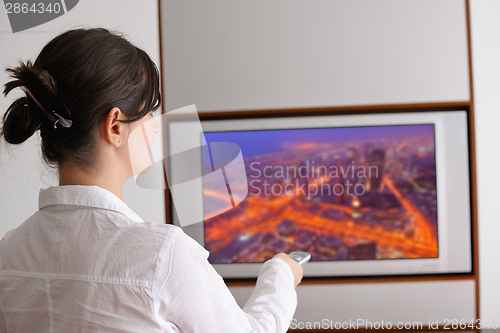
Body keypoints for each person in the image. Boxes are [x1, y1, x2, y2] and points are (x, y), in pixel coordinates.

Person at [0, 28, 303, 332]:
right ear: (115, 126)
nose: (155, 127)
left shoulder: (8, 254)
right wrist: (280, 276)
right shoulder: (162, 255)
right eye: (148, 112)